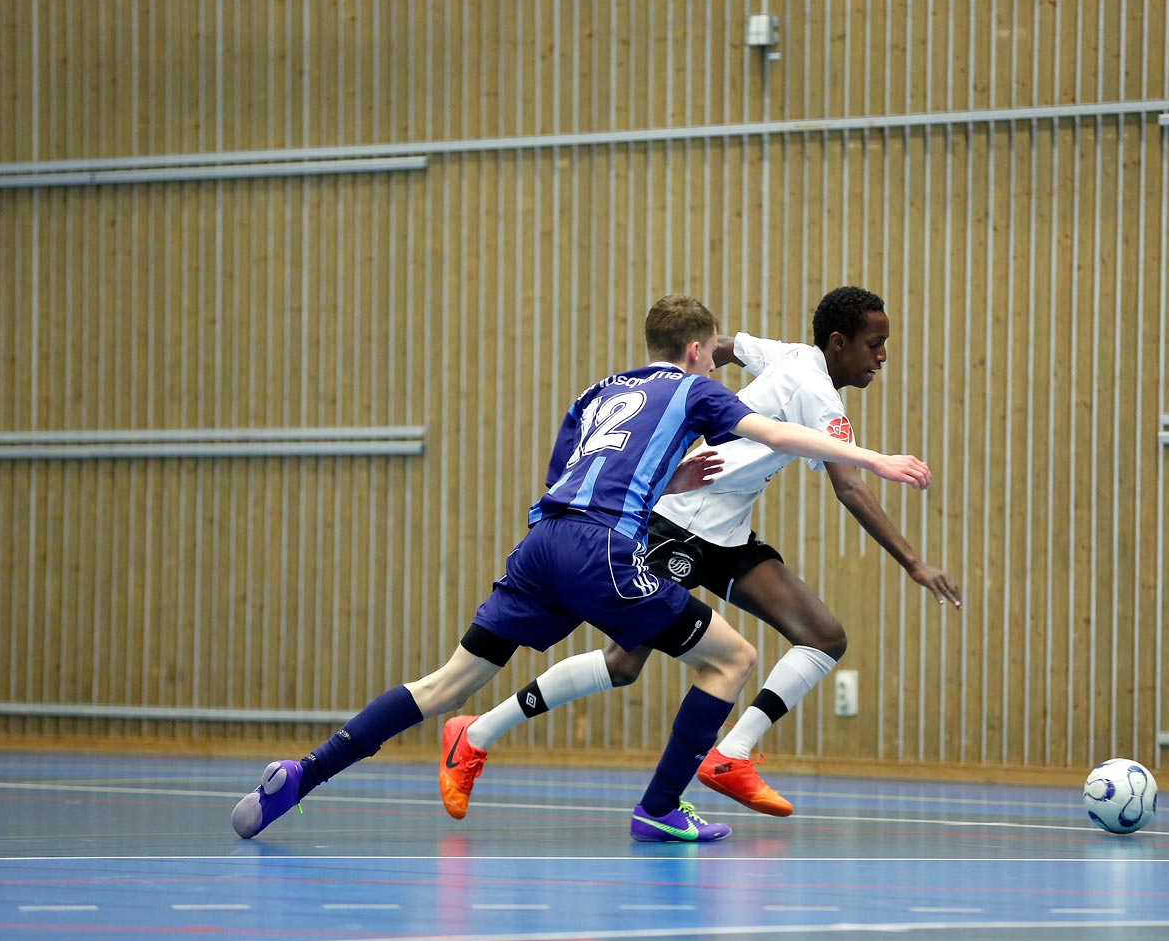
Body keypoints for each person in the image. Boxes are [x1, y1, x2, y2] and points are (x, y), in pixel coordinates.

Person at [232, 294, 931, 843]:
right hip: (604, 550)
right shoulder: (695, 391)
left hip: (543, 543)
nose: (716, 369)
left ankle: (303, 773)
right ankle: (660, 808)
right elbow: (775, 432)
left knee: (444, 684)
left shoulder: (597, 392)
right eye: (710, 359)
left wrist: (668, 482)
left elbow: (571, 477)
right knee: (731, 658)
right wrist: (875, 459)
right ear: (695, 351)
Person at [440, 286, 960, 823]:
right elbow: (849, 487)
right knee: (623, 664)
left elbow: (728, 346)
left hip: (729, 535)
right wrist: (914, 563)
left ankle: (731, 755)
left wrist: (692, 370)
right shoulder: (818, 393)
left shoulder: (789, 354)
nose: (882, 356)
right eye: (875, 343)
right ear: (837, 342)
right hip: (679, 525)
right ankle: (475, 732)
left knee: (823, 637)